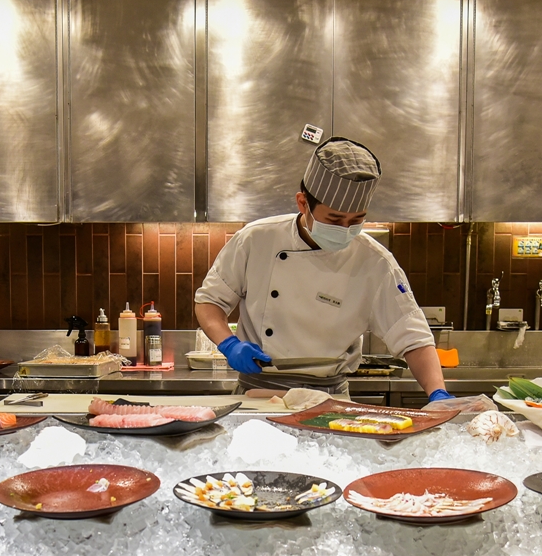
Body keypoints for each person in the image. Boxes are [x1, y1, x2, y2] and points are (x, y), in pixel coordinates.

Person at [193, 137, 454, 404]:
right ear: (303, 203)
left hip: (329, 398)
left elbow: (412, 336)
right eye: (335, 219)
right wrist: (229, 345)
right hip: (258, 392)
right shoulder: (256, 239)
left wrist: (438, 392)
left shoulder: (376, 262)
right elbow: (209, 302)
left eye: (356, 220)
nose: (345, 230)